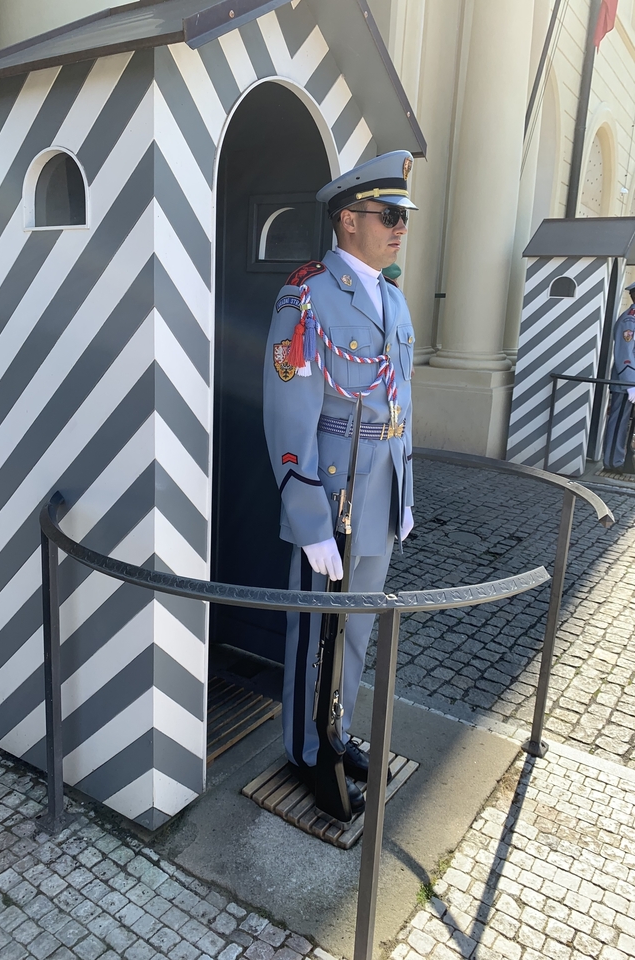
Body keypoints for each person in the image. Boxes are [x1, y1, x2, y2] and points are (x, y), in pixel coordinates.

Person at [262, 150, 417, 815]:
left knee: (355, 627)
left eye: (402, 217)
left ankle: (339, 731)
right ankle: (306, 749)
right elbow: (287, 407)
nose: (399, 228)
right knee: (313, 629)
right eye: (388, 216)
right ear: (348, 220)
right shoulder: (307, 294)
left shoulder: (391, 295)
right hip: (331, 494)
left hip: (381, 490)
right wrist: (307, 514)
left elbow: (401, 399)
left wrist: (407, 492)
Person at [603, 281, 635, 473]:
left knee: (625, 424)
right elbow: (625, 356)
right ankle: (613, 462)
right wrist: (630, 384)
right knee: (619, 424)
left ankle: (621, 459)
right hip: (626, 383)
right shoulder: (629, 320)